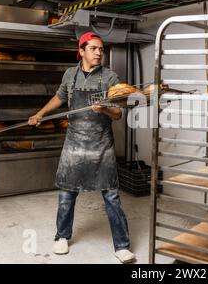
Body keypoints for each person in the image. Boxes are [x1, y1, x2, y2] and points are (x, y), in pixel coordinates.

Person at [28, 32, 135, 263]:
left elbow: (118, 114)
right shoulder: (70, 74)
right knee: (66, 192)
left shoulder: (110, 78)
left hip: (101, 144)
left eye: (101, 49)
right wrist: (40, 113)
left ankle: (122, 245)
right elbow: (59, 97)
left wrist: (105, 109)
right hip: (74, 143)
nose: (99, 53)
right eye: (94, 48)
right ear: (82, 51)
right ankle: (61, 237)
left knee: (112, 195)